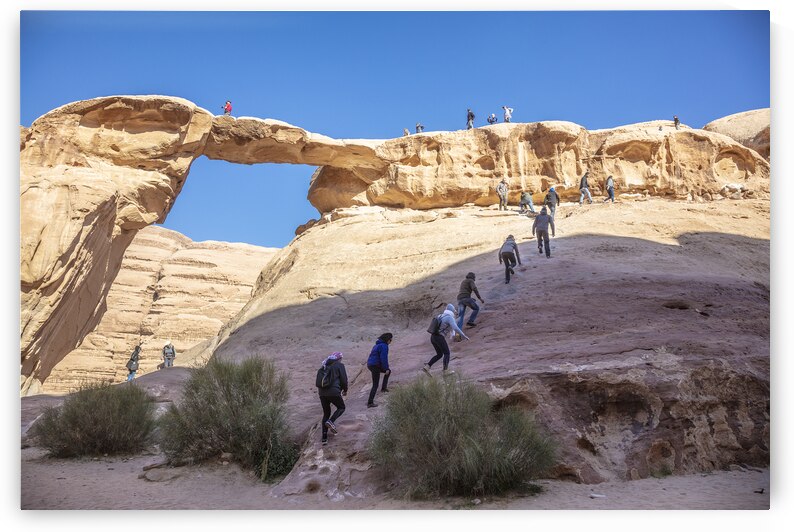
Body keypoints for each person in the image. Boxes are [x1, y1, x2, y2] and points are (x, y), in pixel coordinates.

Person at [423, 304, 469, 375]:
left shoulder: (440, 315)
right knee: (447, 353)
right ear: (452, 311)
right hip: (439, 337)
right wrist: (464, 335)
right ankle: (445, 371)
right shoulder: (449, 318)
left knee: (439, 354)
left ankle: (427, 367)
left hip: (433, 337)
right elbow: (455, 328)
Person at [317, 352, 348, 445]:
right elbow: (343, 379)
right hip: (334, 391)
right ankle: (331, 421)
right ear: (338, 359)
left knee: (326, 413)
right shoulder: (339, 365)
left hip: (322, 393)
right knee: (341, 407)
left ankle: (324, 438)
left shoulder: (323, 366)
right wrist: (345, 389)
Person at [366, 333, 392, 408]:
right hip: (375, 366)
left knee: (388, 371)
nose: (391, 342)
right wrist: (386, 368)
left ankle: (384, 388)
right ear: (388, 340)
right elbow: (383, 358)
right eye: (391, 340)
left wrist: (386, 369)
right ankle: (370, 403)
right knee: (375, 384)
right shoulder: (384, 346)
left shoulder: (376, 345)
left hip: (371, 364)